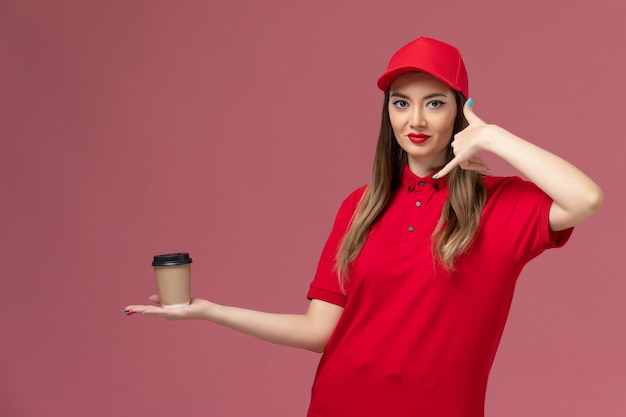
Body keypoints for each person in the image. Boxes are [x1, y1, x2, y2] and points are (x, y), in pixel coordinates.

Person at [124, 37, 603, 417]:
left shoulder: (498, 206)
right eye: (401, 103)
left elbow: (585, 199)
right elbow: (319, 331)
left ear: (460, 109)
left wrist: (495, 137)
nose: (415, 119)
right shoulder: (360, 207)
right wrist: (211, 311)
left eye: (434, 103)